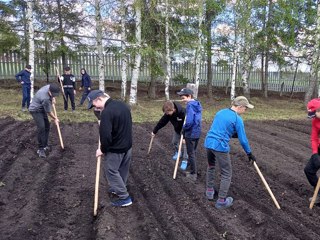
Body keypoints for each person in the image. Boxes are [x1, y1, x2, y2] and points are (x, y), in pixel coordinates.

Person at [204, 96, 256, 209]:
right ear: (240, 107)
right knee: (226, 173)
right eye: (245, 108)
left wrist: (231, 134)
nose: (245, 110)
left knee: (211, 166)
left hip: (208, 142)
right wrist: (249, 153)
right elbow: (243, 140)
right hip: (220, 146)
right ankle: (222, 201)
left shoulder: (221, 112)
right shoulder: (237, 119)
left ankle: (209, 192)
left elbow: (220, 128)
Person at [87, 90, 133, 207]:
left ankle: (124, 197)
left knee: (111, 171)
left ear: (99, 99)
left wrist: (102, 150)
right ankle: (118, 187)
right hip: (127, 146)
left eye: (94, 105)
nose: (95, 108)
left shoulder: (107, 112)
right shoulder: (123, 105)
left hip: (115, 148)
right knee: (122, 169)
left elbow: (106, 136)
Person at [152, 101, 188, 168]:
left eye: (168, 112)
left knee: (185, 145)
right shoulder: (168, 114)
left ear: (173, 109)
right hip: (177, 130)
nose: (167, 114)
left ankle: (185, 160)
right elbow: (162, 122)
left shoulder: (183, 112)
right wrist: (154, 131)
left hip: (186, 130)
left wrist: (185, 137)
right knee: (174, 142)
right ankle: (178, 153)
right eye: (166, 113)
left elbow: (188, 124)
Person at [177, 88, 202, 181]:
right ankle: (192, 169)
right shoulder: (197, 103)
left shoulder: (190, 106)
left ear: (189, 96)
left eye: (183, 98)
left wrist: (183, 130)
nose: (182, 100)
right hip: (197, 132)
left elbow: (190, 121)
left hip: (190, 133)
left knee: (190, 153)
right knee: (193, 152)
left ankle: (193, 174)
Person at [29, 83, 60, 158]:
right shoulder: (45, 98)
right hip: (35, 110)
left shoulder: (49, 87)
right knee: (42, 127)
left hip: (41, 107)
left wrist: (53, 98)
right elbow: (49, 112)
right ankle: (40, 149)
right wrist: (55, 118)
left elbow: (51, 97)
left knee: (47, 126)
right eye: (53, 94)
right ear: (49, 91)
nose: (54, 95)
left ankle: (45, 145)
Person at [304, 98, 320, 204]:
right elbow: (314, 137)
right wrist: (315, 153)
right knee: (308, 170)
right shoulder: (316, 121)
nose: (313, 117)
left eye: (315, 114)